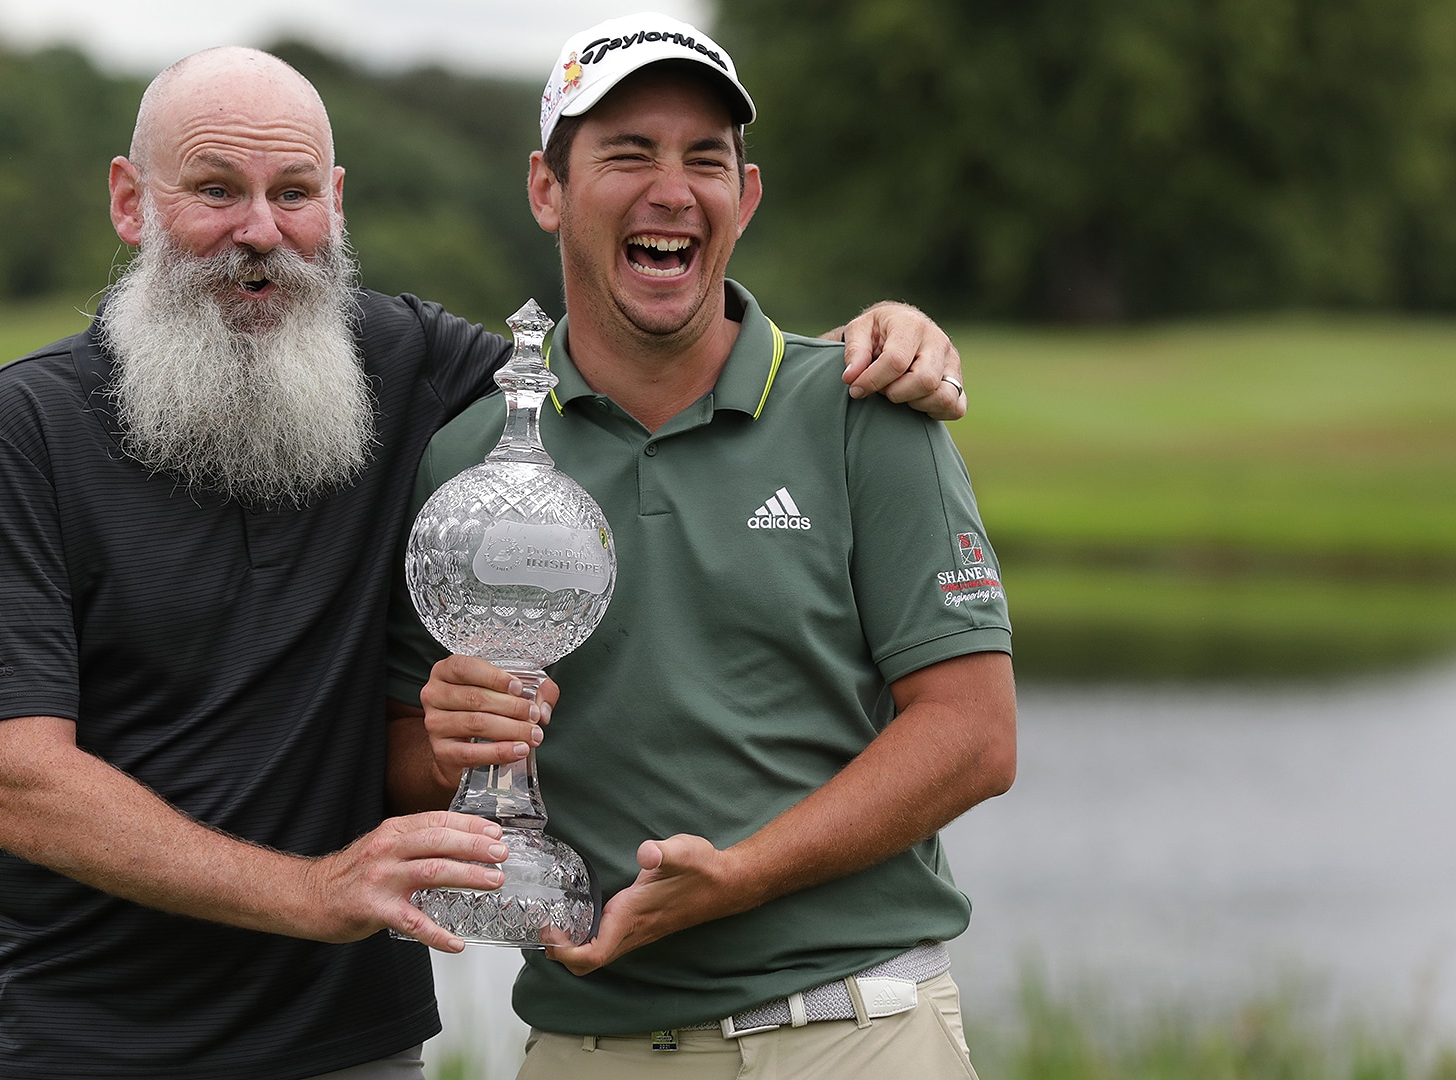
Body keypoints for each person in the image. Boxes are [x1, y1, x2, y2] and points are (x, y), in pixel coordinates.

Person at [0, 44, 972, 1080]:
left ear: (334, 200)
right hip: (78, 1038)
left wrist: (875, 344)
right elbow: (20, 786)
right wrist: (314, 891)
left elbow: (624, 355)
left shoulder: (417, 373)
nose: (259, 231)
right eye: (213, 188)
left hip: (352, 1044)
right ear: (130, 201)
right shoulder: (17, 429)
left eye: (293, 192)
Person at [387, 14, 1017, 1080]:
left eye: (704, 158)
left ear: (747, 195)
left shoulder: (868, 410)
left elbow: (973, 734)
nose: (671, 189)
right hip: (589, 1044)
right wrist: (447, 745)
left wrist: (746, 873)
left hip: (857, 1029)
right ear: (547, 188)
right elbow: (402, 766)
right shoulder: (470, 463)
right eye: (628, 152)